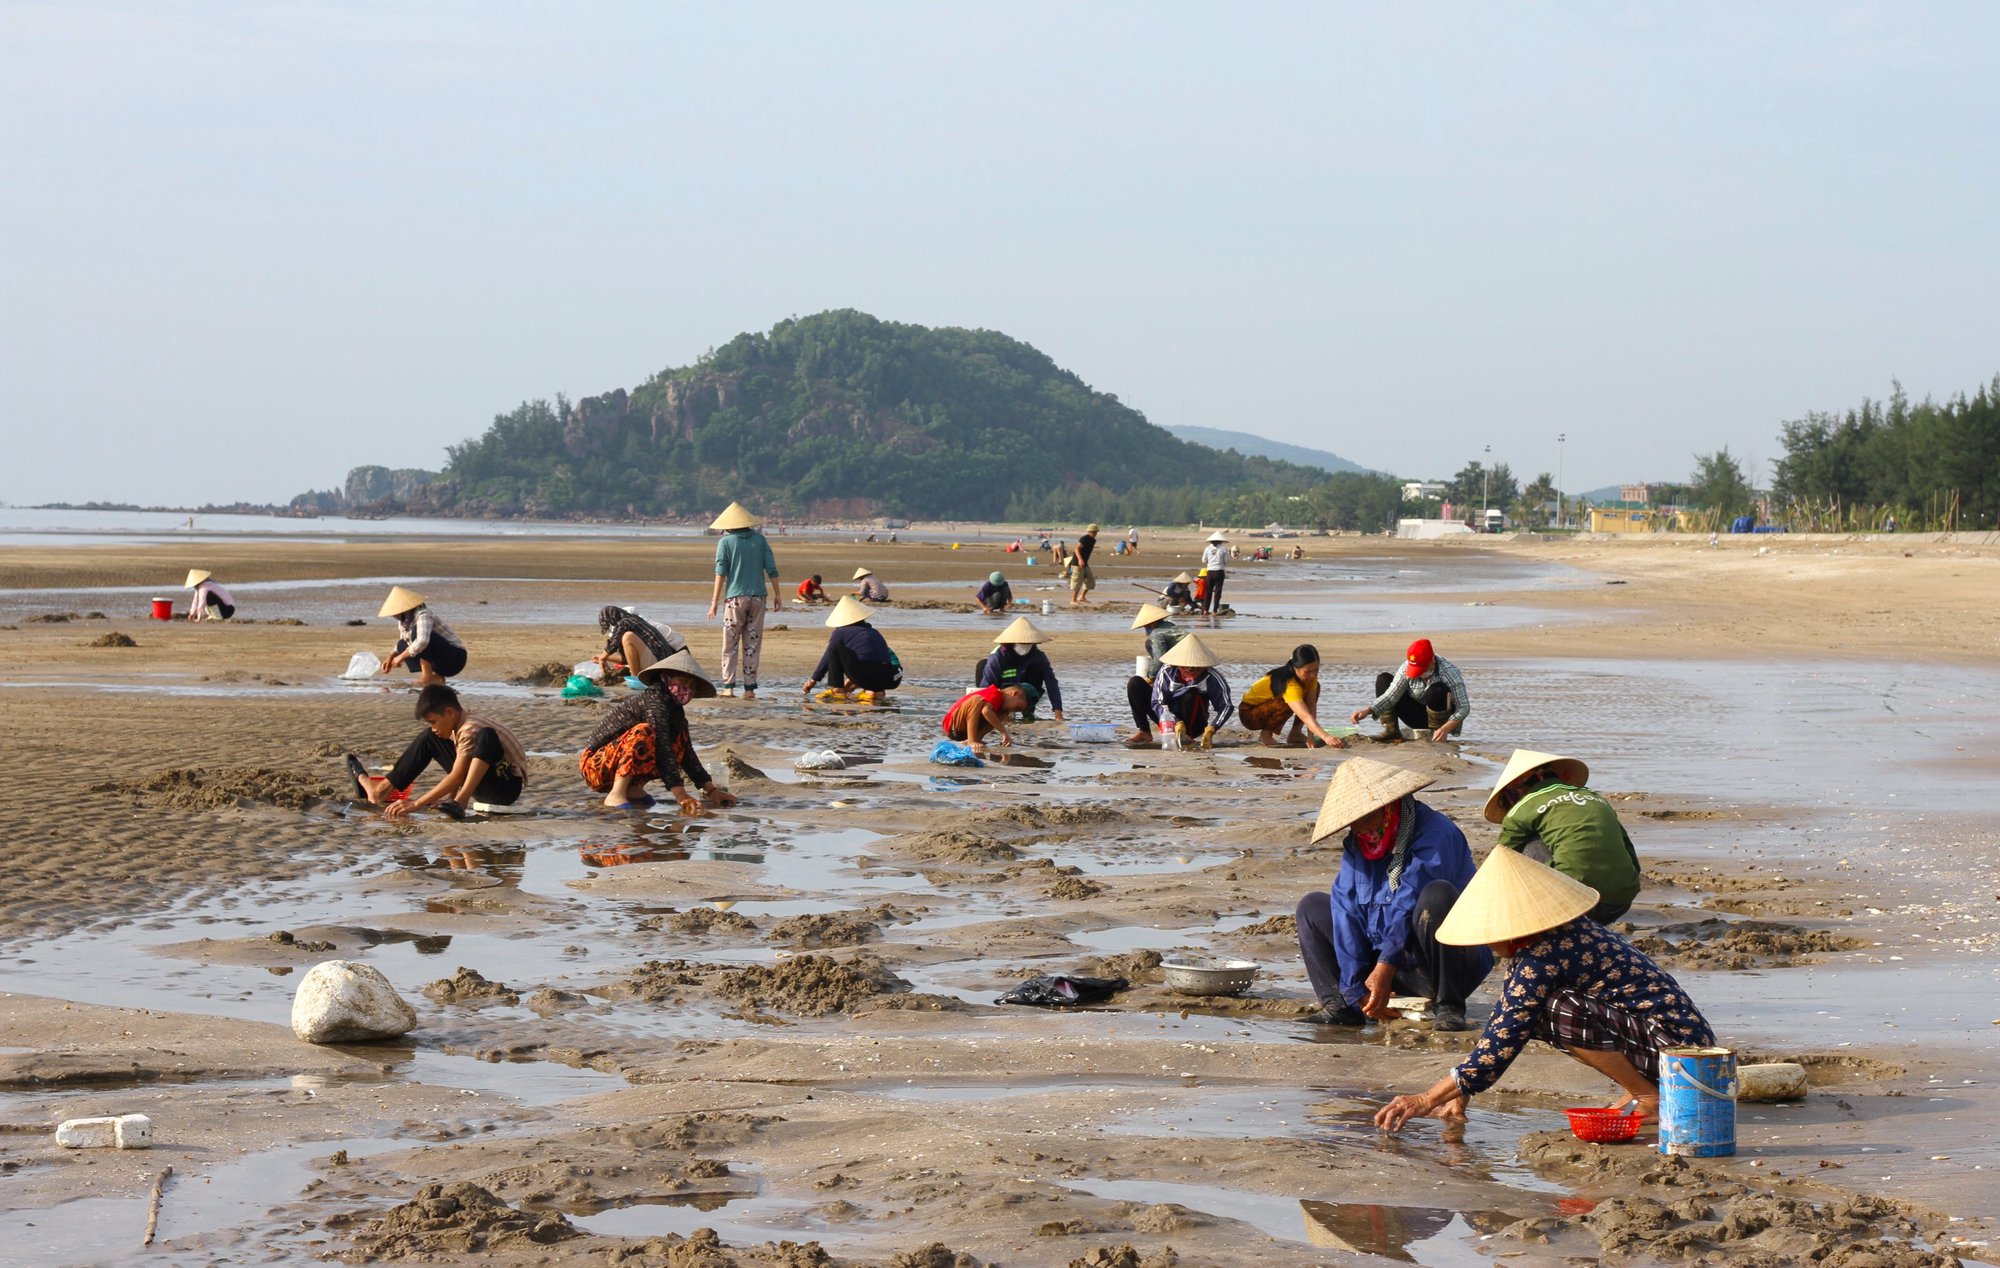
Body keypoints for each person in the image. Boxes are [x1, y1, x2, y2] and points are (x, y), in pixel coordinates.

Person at [1373, 847, 1716, 1131]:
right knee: (1538, 1012)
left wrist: (1427, 1098)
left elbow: (1506, 1036)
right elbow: (1506, 1014)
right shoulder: (1555, 937)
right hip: (1672, 1044)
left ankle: (1651, 1096)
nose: (1489, 944)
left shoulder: (1543, 955)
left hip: (1680, 1054)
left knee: (1557, 1009)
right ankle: (1642, 1089)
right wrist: (1461, 1090)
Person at [1295, 758, 1491, 1031]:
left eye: (1366, 817)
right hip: (1383, 969)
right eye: (1353, 823)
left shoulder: (1436, 833)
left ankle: (1449, 1006)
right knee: (1312, 907)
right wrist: (1355, 987)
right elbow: (1346, 912)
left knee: (1437, 895)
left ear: (1388, 807)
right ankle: (1342, 1006)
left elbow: (1410, 898)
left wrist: (1386, 966)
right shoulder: (1357, 845)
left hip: (1440, 964)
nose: (1361, 829)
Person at [1484, 750, 1641, 925]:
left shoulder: (1522, 809)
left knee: (1530, 844)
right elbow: (1629, 851)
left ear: (1516, 789)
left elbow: (1501, 861)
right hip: (1620, 903)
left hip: (1573, 907)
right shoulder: (1595, 799)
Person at [579, 640, 737, 813]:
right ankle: (617, 792)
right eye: (682, 682)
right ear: (666, 677)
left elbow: (687, 754)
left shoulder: (675, 711)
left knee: (679, 742)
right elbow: (662, 747)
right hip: (595, 765)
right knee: (644, 733)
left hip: (615, 762)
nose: (687, 689)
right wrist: (681, 795)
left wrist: (711, 791)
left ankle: (632, 787)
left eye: (691, 686)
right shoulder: (654, 702)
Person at [346, 684, 527, 820]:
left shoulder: (471, 727)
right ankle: (381, 790)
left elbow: (457, 775)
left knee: (487, 735)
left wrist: (416, 804)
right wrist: (449, 797)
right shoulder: (460, 724)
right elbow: (462, 765)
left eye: (433, 722)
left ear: (449, 712)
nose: (434, 727)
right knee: (429, 738)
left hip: (505, 787)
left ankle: (460, 802)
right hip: (484, 783)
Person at [706, 501, 783, 699]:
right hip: (758, 598)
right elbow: (772, 569)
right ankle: (749, 689)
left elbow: (720, 573)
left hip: (735, 599)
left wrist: (714, 601)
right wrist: (778, 595)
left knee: (730, 643)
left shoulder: (725, 543)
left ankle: (729, 687)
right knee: (752, 643)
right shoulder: (760, 540)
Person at [1351, 638, 1470, 742]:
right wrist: (1367, 711)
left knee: (1437, 690)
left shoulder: (1449, 672)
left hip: (1441, 721)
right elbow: (1390, 696)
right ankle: (1391, 731)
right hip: (1415, 714)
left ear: (1432, 662)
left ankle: (1436, 735)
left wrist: (1445, 729)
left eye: (1420, 670)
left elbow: (1463, 707)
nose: (1418, 674)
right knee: (1384, 679)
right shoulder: (1406, 667)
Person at [1240, 644, 1344, 748]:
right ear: (1295, 667)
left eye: (1316, 670)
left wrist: (1311, 736)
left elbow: (1311, 706)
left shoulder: (1311, 678)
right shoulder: (1289, 684)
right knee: (1284, 702)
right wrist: (1325, 736)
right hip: (1250, 713)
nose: (1312, 675)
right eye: (1307, 672)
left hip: (1270, 706)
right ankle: (1266, 734)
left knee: (1316, 688)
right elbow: (1304, 715)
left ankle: (1296, 733)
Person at [804, 596, 902, 702]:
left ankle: (837, 689)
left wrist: (813, 680)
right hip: (890, 679)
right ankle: (875, 692)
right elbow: (871, 659)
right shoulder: (874, 632)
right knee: (874, 660)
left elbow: (827, 658)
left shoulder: (839, 633)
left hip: (866, 676)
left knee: (835, 648)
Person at [1148, 634, 1234, 750]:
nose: (1190, 670)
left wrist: (1213, 727)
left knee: (1190, 692)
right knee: (1135, 684)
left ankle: (1189, 735)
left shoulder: (1212, 677)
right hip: (1170, 718)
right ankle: (1145, 732)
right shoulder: (1167, 672)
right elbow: (1158, 702)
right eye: (1186, 667)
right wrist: (1176, 722)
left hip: (1196, 719)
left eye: (1195, 667)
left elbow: (1226, 706)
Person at [975, 617, 1064, 722]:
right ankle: (1002, 711)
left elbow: (1051, 682)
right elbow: (987, 687)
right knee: (982, 666)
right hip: (1003, 689)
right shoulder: (998, 656)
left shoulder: (1038, 656)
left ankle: (1028, 711)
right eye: (1021, 644)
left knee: (1036, 670)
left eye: (1028, 644)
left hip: (1024, 688)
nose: (1025, 647)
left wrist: (1058, 711)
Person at [1124, 603, 1188, 747]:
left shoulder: (1157, 634)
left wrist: (1150, 677)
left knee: (1135, 684)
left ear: (1151, 623)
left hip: (1177, 694)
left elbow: (1159, 660)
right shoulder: (1172, 628)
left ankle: (1144, 730)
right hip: (1182, 694)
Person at [377, 586, 466, 687]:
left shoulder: (423, 615)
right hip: (439, 664)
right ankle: (435, 677)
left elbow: (422, 641)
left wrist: (400, 658)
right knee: (402, 644)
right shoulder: (404, 622)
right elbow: (405, 641)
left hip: (455, 658)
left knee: (417, 635)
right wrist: (391, 657)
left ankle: (427, 676)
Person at [942, 683, 1033, 755]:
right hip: (952, 725)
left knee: (1003, 713)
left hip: (962, 732)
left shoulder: (1001, 708)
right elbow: (986, 711)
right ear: (1015, 693)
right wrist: (1003, 732)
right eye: (1018, 707)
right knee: (977, 700)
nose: (1015, 710)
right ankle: (972, 740)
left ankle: (976, 739)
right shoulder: (995, 693)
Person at [595, 605, 671, 677]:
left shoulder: (625, 622)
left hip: (660, 662)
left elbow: (613, 644)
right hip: (659, 661)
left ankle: (634, 677)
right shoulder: (634, 620)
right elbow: (628, 659)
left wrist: (602, 657)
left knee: (628, 637)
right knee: (627, 638)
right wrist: (605, 658)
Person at [1199, 532, 1230, 614]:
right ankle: (1214, 611)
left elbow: (1204, 560)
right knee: (1218, 592)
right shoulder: (1223, 549)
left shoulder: (1207, 548)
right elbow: (1226, 561)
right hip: (1219, 571)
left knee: (1208, 591)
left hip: (1210, 572)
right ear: (1221, 541)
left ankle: (1205, 610)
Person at [1070, 525, 1100, 605]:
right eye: (1095, 531)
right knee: (1077, 582)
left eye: (1096, 532)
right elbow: (1077, 549)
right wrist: (1080, 560)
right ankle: (1073, 600)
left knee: (1091, 581)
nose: (1096, 533)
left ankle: (1082, 597)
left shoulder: (1093, 540)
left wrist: (1083, 561)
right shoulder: (1085, 538)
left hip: (1085, 563)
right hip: (1077, 563)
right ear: (1091, 531)